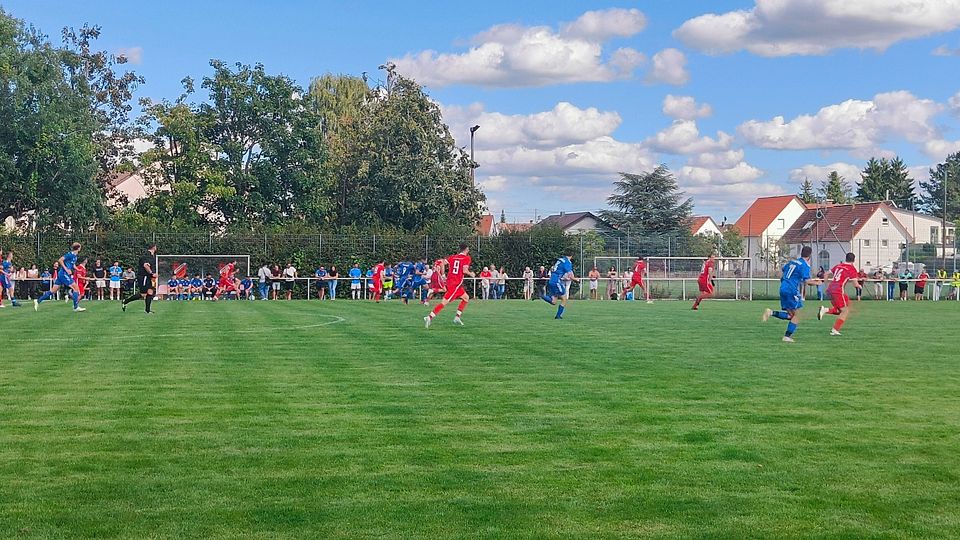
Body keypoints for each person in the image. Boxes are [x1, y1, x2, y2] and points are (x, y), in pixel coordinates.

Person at [762, 246, 821, 342]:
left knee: (791, 316)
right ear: (810, 255)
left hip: (783, 288)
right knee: (797, 316)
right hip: (791, 290)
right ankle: (787, 336)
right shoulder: (804, 265)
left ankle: (771, 313)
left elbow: (784, 270)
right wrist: (817, 282)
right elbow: (807, 281)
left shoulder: (792, 262)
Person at [424, 243, 474, 328]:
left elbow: (442, 263)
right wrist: (471, 273)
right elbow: (465, 270)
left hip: (451, 282)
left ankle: (457, 317)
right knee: (444, 302)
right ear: (466, 249)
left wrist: (443, 274)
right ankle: (429, 317)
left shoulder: (453, 257)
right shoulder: (466, 258)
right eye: (468, 249)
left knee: (466, 297)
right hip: (456, 283)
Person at [35, 243, 86, 312]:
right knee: (76, 288)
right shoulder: (70, 254)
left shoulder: (75, 256)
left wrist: (77, 269)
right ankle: (75, 307)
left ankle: (38, 301)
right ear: (78, 248)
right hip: (63, 274)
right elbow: (60, 260)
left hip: (62, 274)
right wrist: (66, 269)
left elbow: (72, 264)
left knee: (53, 291)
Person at [818, 252, 858, 336]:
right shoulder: (852, 269)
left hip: (830, 289)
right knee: (845, 311)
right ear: (854, 260)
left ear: (845, 258)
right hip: (838, 290)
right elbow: (855, 284)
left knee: (843, 307)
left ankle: (825, 310)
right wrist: (859, 285)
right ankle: (835, 330)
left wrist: (825, 285)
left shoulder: (838, 266)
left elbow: (825, 273)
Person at [541, 250, 579, 319]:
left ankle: (541, 295)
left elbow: (553, 269)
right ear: (571, 256)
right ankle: (558, 316)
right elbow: (570, 276)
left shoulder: (560, 260)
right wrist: (576, 280)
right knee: (564, 298)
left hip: (551, 280)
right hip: (556, 281)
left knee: (554, 301)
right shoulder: (567, 262)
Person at [121, 243, 158, 314]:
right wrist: (151, 273)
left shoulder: (152, 256)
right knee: (143, 294)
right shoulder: (146, 255)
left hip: (148, 277)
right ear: (154, 247)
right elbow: (146, 266)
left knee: (150, 292)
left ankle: (147, 310)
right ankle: (125, 301)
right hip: (143, 277)